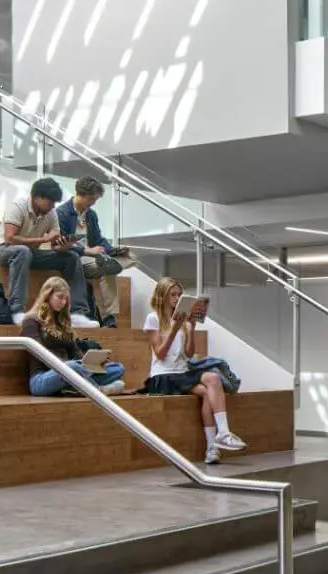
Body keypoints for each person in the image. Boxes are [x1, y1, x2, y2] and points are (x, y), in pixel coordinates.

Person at [143, 277, 246, 464]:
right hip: (163, 376)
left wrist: (191, 329)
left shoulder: (182, 319)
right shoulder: (153, 318)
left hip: (182, 372)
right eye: (172, 295)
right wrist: (174, 329)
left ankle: (218, 439)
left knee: (212, 381)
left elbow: (189, 354)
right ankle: (216, 442)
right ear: (162, 296)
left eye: (179, 295)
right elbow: (160, 353)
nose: (176, 298)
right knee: (209, 386)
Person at [0, 177, 95, 327]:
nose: (52, 206)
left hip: (28, 254)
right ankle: (16, 311)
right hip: (0, 251)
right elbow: (9, 238)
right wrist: (42, 240)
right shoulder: (19, 206)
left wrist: (64, 245)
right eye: (50, 202)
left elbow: (55, 243)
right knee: (23, 252)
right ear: (38, 197)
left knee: (71, 257)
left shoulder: (51, 213)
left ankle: (77, 313)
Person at [20, 277, 125, 396]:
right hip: (42, 378)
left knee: (117, 368)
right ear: (48, 295)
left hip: (70, 373)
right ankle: (98, 390)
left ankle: (73, 388)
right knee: (72, 366)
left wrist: (91, 364)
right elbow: (38, 353)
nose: (64, 302)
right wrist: (72, 367)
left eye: (66, 299)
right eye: (60, 297)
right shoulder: (31, 321)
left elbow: (75, 352)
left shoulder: (63, 322)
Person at [57, 176, 138, 328]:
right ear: (80, 194)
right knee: (106, 269)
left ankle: (110, 261)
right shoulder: (62, 213)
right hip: (75, 256)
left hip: (94, 256)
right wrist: (88, 250)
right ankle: (109, 317)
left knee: (126, 259)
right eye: (91, 199)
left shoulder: (91, 215)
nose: (93, 202)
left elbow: (98, 239)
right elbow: (60, 244)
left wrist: (112, 249)